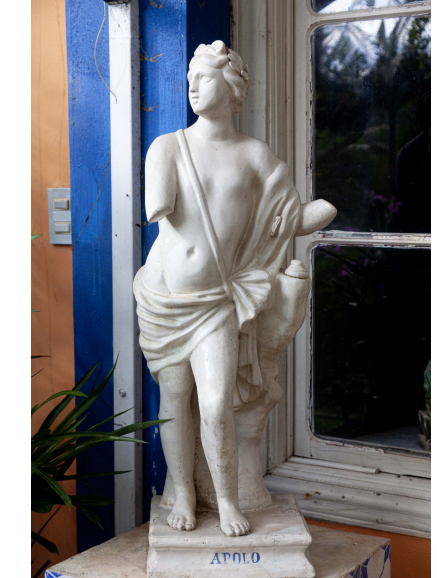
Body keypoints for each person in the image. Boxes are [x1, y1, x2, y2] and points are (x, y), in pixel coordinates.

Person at [134, 41, 335, 537]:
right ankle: (184, 492)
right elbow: (157, 208)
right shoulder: (168, 148)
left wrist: (320, 212)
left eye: (203, 78)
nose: (193, 87)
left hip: (218, 300)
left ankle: (226, 500)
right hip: (166, 298)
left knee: (217, 401)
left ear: (232, 86)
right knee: (175, 397)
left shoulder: (254, 156)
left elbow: (291, 216)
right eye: (190, 79)